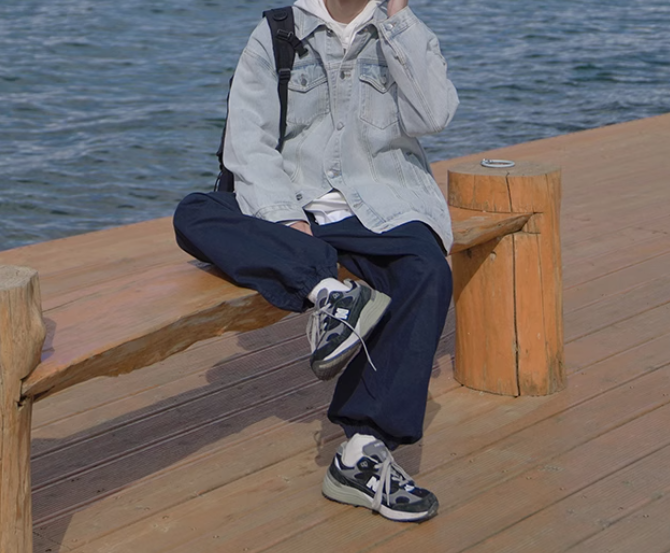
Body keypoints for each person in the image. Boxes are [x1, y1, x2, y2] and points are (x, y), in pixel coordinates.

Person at [174, 0, 458, 522]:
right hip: (295, 203)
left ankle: (363, 452)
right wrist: (286, 219)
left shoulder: (399, 31)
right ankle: (332, 295)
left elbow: (434, 116)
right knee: (195, 213)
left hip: (380, 202)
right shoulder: (277, 33)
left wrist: (399, 17)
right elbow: (248, 143)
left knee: (426, 270)